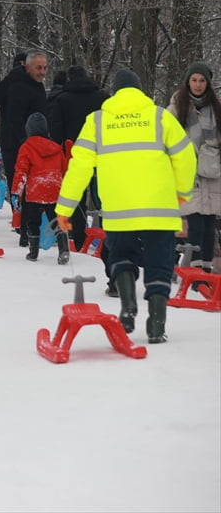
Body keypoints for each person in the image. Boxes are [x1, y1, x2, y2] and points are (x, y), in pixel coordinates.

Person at [55, 69, 197, 343]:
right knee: (159, 263)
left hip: (120, 209)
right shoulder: (160, 116)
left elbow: (79, 167)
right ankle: (157, 323)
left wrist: (64, 208)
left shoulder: (97, 121)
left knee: (121, 255)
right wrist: (181, 192)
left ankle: (127, 304)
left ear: (115, 92)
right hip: (160, 206)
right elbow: (186, 156)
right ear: (140, 90)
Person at [45, 65, 109, 250]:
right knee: (104, 197)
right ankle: (109, 237)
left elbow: (56, 130)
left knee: (78, 197)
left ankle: (79, 238)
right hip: (101, 153)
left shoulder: (62, 100)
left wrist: (60, 154)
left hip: (74, 154)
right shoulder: (102, 98)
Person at [170, 61, 220, 273]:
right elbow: (166, 139)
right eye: (194, 80)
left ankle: (207, 269)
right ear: (187, 82)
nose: (198, 85)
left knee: (210, 226)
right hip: (187, 173)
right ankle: (194, 271)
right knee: (195, 225)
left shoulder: (217, 108)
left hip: (212, 171)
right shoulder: (176, 107)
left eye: (202, 81)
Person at [10, 112, 69, 262]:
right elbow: (64, 170)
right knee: (56, 219)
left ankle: (33, 252)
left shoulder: (26, 147)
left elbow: (21, 172)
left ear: (28, 129)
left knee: (32, 220)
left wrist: (16, 193)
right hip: (54, 187)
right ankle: (63, 250)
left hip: (35, 189)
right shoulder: (56, 147)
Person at [0, 50, 47, 189]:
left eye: (45, 68)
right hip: (19, 146)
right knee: (21, 188)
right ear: (27, 67)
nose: (43, 72)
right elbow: (14, 119)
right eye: (38, 68)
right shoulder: (18, 87)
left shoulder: (35, 84)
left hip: (32, 145)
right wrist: (26, 142)